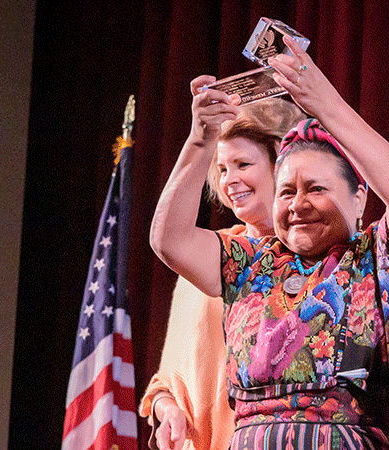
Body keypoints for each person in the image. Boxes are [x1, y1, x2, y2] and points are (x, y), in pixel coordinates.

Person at [149, 35, 389, 450]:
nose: (298, 204)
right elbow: (168, 240)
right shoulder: (249, 262)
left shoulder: (375, 258)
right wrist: (200, 139)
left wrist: (324, 103)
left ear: (360, 196)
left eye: (316, 188)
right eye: (286, 191)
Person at [139, 98, 307, 450]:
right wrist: (165, 406)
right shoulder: (213, 255)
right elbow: (168, 380)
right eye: (222, 168)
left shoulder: (324, 261)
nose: (230, 180)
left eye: (242, 164)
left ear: (284, 164)